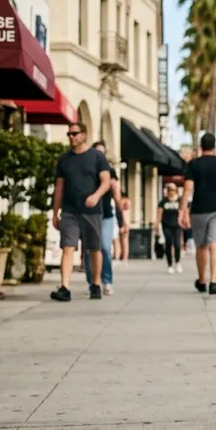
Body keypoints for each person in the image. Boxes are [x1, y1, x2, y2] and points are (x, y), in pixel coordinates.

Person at [50, 123, 112, 301]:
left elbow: (106, 181)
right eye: (69, 134)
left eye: (74, 133)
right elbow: (59, 188)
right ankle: (65, 287)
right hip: (70, 211)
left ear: (84, 135)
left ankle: (96, 284)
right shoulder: (64, 160)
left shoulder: (97, 157)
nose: (71, 137)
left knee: (94, 248)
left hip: (92, 211)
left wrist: (96, 195)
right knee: (67, 247)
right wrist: (56, 213)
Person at [181, 132, 216, 295]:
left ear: (201, 147)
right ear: (215, 146)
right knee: (215, 244)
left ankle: (202, 280)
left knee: (201, 246)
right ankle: (214, 282)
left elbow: (188, 188)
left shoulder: (193, 165)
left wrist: (183, 209)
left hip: (199, 209)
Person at [81, 141, 127, 296]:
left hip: (106, 214)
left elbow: (117, 197)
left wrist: (122, 221)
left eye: (102, 152)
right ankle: (92, 282)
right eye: (97, 151)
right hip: (89, 214)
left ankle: (107, 281)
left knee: (105, 248)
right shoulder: (86, 170)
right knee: (89, 250)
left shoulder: (110, 171)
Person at [157, 182, 184, 274]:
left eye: (173, 190)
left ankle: (178, 262)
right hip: (166, 225)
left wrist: (184, 220)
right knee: (168, 243)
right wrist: (156, 224)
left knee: (177, 244)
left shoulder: (179, 201)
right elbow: (159, 214)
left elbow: (183, 211)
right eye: (169, 190)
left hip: (177, 225)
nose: (171, 192)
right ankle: (170, 264)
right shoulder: (163, 202)